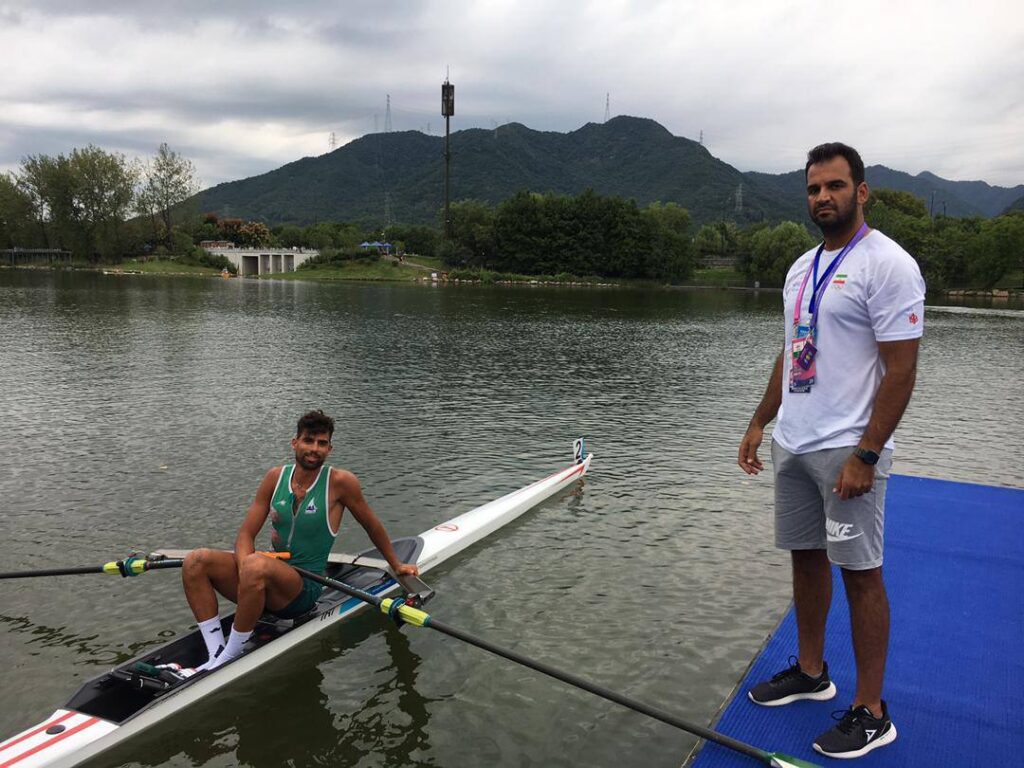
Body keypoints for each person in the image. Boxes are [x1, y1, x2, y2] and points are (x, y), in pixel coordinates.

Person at [737, 142, 925, 759]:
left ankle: (872, 710)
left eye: (836, 186)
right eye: (815, 188)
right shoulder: (800, 267)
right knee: (806, 559)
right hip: (794, 441)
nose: (824, 197)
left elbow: (901, 371)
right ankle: (813, 672)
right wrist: (761, 421)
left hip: (847, 447)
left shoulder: (888, 265)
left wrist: (866, 455)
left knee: (861, 575)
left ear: (861, 191)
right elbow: (792, 353)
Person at [181, 409, 420, 672]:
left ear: (330, 448)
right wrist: (245, 570)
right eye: (308, 440)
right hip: (266, 578)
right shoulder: (275, 477)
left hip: (304, 589)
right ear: (295, 443)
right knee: (196, 560)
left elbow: (371, 525)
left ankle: (231, 655)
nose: (314, 448)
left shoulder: (340, 482)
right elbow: (245, 535)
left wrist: (396, 564)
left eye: (322, 443)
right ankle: (216, 650)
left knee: (254, 565)